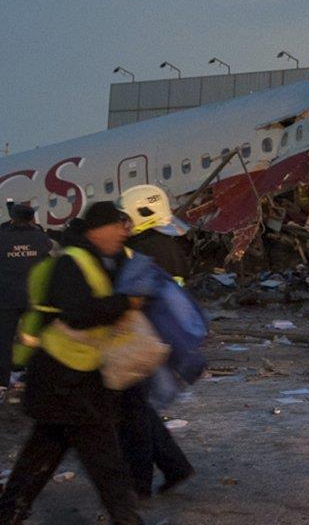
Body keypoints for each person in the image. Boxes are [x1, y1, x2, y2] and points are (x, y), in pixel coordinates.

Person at [0, 202, 143, 525]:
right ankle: (127, 519)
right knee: (105, 463)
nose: (122, 232)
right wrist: (124, 303)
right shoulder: (71, 262)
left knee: (41, 455)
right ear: (97, 229)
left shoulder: (104, 259)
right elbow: (78, 314)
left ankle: (9, 512)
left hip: (75, 379)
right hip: (65, 379)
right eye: (116, 225)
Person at [116, 185, 194, 499]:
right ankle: (174, 466)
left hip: (145, 337)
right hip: (163, 335)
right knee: (139, 408)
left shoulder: (142, 250)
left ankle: (139, 484)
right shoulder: (169, 245)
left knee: (132, 412)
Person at [0, 204, 52, 401]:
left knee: (4, 344)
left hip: (7, 299)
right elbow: (48, 253)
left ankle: (3, 384)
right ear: (32, 218)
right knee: (36, 340)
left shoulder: (2, 236)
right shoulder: (39, 237)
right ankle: (39, 380)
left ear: (12, 218)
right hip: (33, 299)